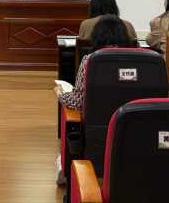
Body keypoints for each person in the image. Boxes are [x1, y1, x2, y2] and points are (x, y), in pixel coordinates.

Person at [55, 15, 135, 185]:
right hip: (134, 133)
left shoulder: (90, 61)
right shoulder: (144, 62)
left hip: (98, 135)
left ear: (97, 37)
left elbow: (78, 102)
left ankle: (67, 173)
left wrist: (61, 94)